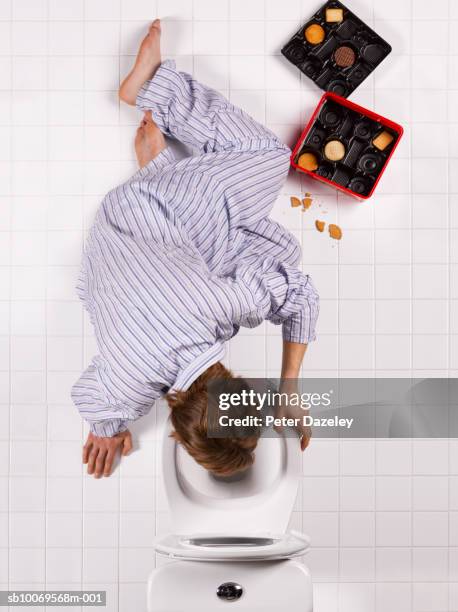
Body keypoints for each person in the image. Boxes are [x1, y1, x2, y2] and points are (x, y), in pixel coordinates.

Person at [71, 20, 319, 479]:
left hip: (149, 209)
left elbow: (301, 294)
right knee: (245, 253)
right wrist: (107, 428)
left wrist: (290, 388)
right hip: (108, 248)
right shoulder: (127, 389)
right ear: (176, 430)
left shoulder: (222, 307)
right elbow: (88, 396)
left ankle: (152, 90)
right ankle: (159, 165)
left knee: (264, 155)